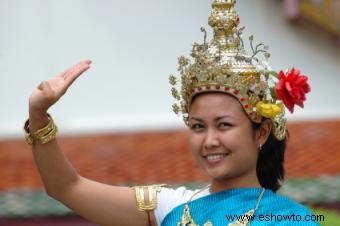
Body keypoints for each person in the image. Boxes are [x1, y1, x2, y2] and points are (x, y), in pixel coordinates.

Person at [24, 0, 320, 225]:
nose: (210, 140)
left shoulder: (289, 218)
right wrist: (38, 115)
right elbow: (67, 187)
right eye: (198, 127)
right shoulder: (173, 206)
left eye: (224, 125)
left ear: (262, 131)